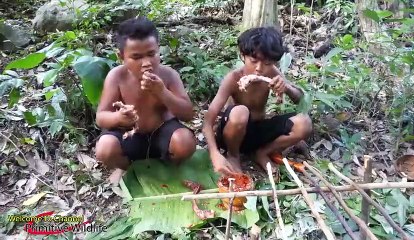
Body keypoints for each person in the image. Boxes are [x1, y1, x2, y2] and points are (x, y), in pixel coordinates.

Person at [95, 17, 197, 184]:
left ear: (158, 49)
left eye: (151, 54)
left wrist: (162, 92)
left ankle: (166, 166)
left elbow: (188, 113)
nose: (146, 63)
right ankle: (128, 168)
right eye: (136, 57)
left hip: (161, 134)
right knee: (105, 149)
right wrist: (119, 118)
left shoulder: (168, 75)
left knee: (184, 142)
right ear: (121, 56)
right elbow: (101, 117)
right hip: (129, 135)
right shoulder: (116, 77)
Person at [202, 26, 312, 179]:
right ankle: (233, 156)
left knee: (304, 123)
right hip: (232, 134)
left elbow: (300, 99)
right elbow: (208, 120)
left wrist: (286, 87)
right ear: (243, 55)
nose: (259, 68)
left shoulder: (272, 73)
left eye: (267, 63)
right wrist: (214, 153)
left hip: (258, 132)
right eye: (253, 61)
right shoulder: (233, 78)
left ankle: (262, 152)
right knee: (241, 112)